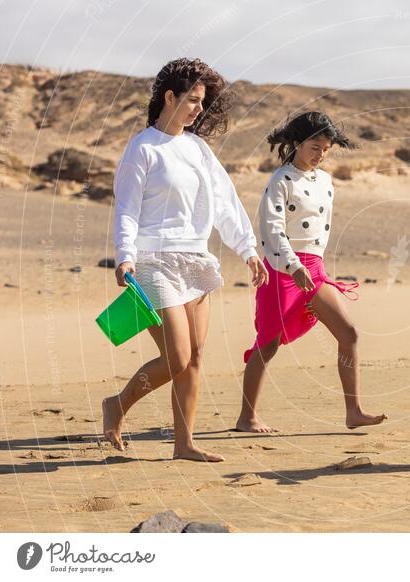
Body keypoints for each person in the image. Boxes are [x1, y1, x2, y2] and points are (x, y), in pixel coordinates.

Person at [103, 58, 266, 462]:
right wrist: (124, 256)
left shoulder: (198, 148)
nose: (197, 109)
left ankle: (184, 443)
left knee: (194, 357)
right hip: (154, 260)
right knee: (176, 357)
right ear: (169, 97)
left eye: (202, 102)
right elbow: (126, 208)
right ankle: (117, 405)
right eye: (192, 100)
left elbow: (225, 202)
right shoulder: (142, 148)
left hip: (196, 259)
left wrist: (247, 249)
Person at [236, 111, 386, 433]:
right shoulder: (280, 181)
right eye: (315, 147)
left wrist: (308, 266)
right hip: (281, 269)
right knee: (268, 344)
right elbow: (271, 231)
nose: (320, 155)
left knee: (349, 334)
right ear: (297, 143)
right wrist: (293, 265)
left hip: (314, 268)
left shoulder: (326, 181)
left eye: (326, 149)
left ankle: (354, 411)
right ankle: (246, 417)